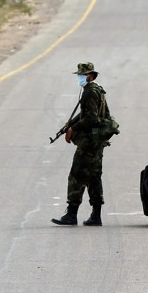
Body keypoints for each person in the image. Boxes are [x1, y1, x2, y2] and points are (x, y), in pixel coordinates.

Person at [52, 62, 113, 226]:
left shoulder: (90, 93)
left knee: (77, 175)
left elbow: (92, 119)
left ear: (90, 75)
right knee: (93, 177)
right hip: (96, 141)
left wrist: (74, 128)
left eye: (82, 75)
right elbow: (90, 114)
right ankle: (96, 215)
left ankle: (71, 215)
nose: (79, 78)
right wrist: (70, 125)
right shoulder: (96, 89)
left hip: (89, 142)